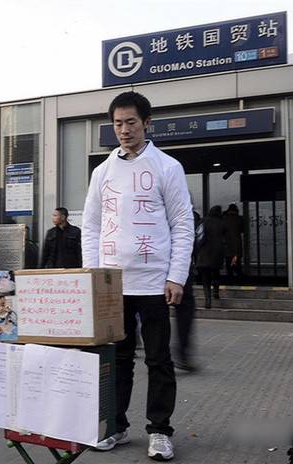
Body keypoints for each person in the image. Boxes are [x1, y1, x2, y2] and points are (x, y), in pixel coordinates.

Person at [82, 91, 194, 461]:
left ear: (147, 122)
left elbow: (182, 225)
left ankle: (160, 430)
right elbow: (92, 227)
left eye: (131, 122)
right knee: (117, 358)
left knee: (159, 359)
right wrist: (92, 276)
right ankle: (115, 425)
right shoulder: (102, 172)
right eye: (117, 123)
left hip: (155, 283)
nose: (124, 130)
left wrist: (176, 276)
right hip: (113, 284)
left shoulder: (167, 167)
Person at [173, 209, 201, 372]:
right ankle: (182, 354)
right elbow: (196, 240)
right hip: (181, 271)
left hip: (155, 269)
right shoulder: (189, 216)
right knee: (184, 309)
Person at [196, 205, 226, 308]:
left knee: (205, 279)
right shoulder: (222, 223)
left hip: (204, 254)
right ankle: (216, 293)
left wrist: (196, 250)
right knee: (216, 274)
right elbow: (225, 238)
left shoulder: (203, 222)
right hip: (217, 254)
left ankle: (208, 300)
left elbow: (198, 237)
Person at [223, 203, 244, 283]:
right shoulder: (240, 218)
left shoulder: (224, 218)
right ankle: (239, 278)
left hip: (227, 244)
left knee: (228, 263)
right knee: (237, 262)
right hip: (237, 243)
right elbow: (242, 230)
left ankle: (230, 278)